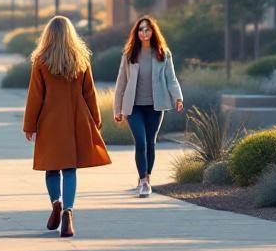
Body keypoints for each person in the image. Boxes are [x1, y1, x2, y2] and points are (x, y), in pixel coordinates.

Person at [22, 15, 110, 238]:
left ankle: (56, 204)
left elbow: (35, 96)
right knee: (70, 168)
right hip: (75, 119)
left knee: (52, 168)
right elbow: (89, 92)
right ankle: (68, 213)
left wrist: (29, 125)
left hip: (50, 120)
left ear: (48, 35)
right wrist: (95, 120)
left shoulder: (41, 61)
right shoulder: (81, 59)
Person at [112, 15, 183, 197]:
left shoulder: (162, 53)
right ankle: (143, 182)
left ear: (153, 32)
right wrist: (117, 109)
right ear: (136, 33)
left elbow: (171, 79)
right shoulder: (129, 54)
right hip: (134, 106)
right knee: (141, 143)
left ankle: (147, 177)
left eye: (147, 29)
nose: (144, 33)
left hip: (155, 106)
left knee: (151, 143)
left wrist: (178, 98)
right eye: (140, 30)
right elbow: (121, 83)